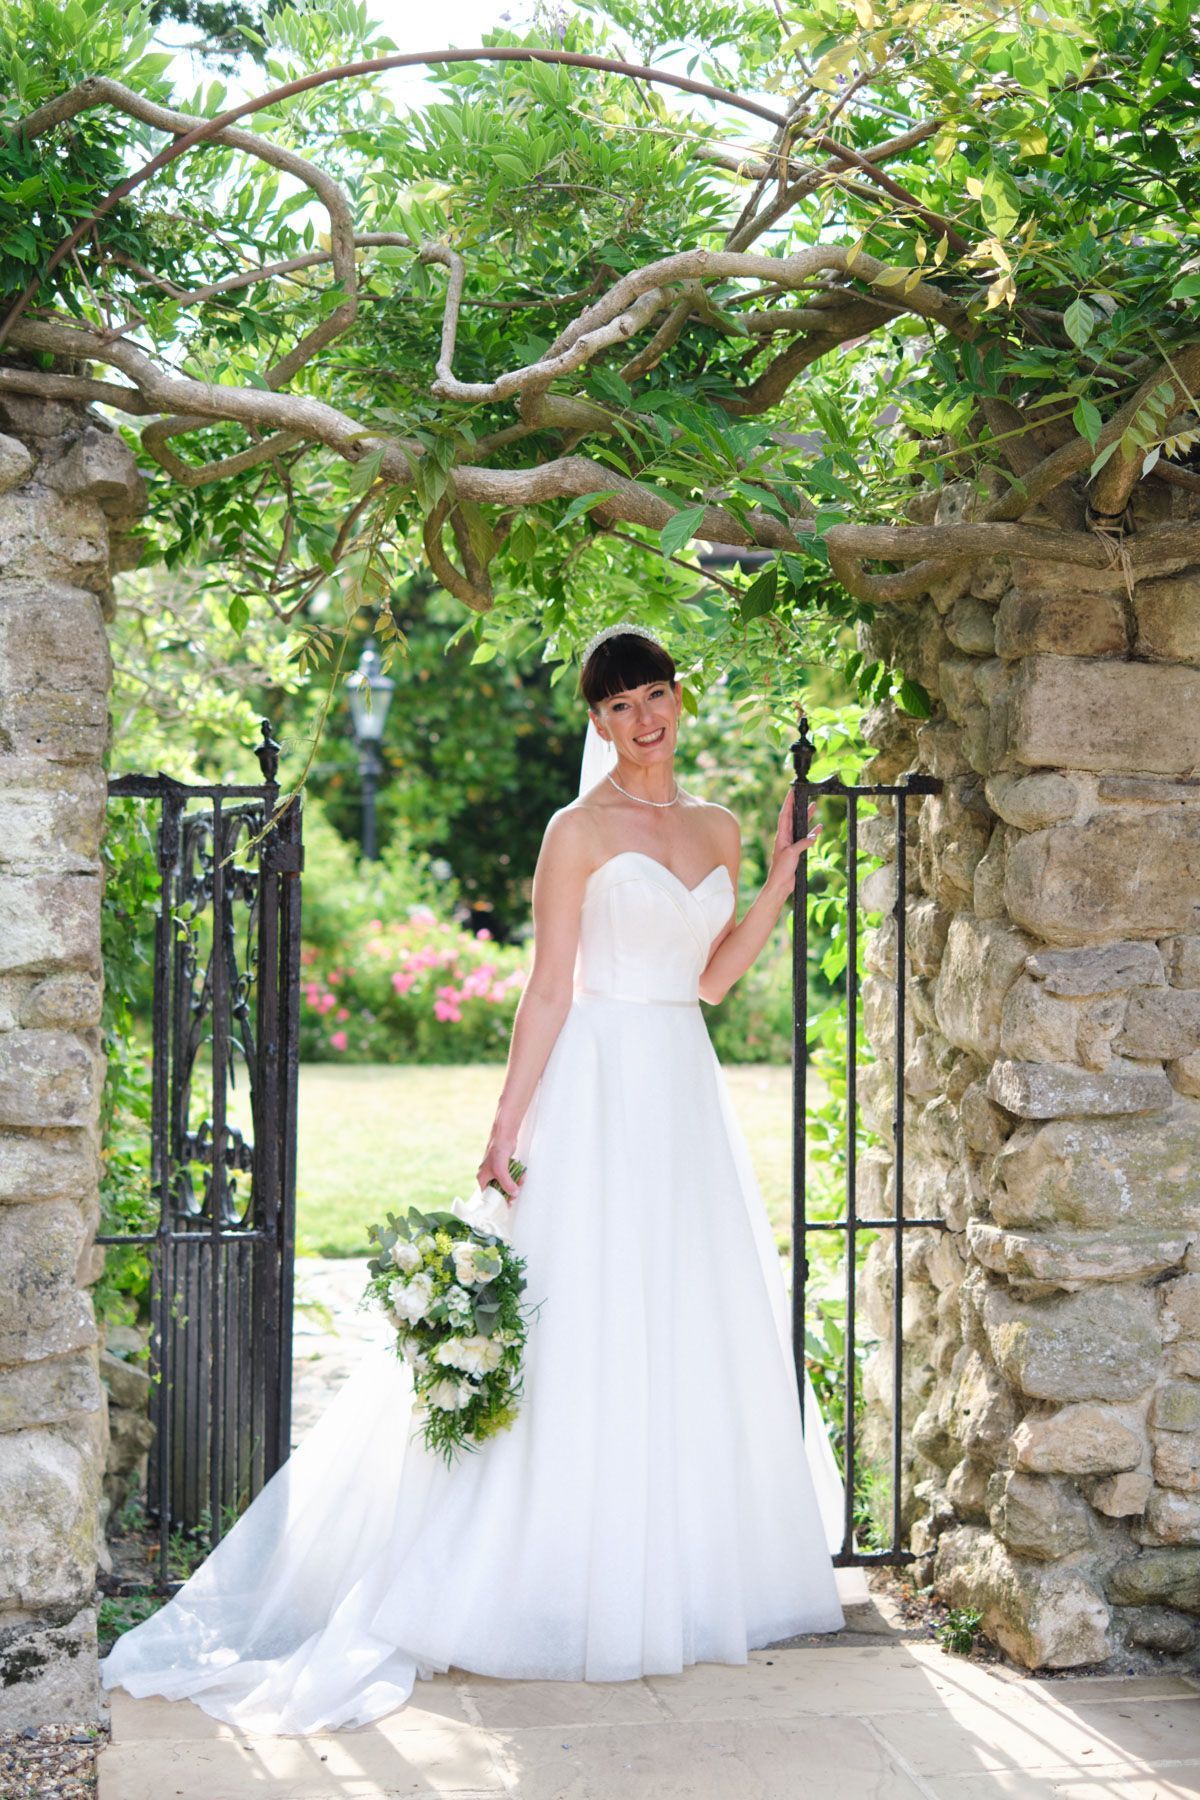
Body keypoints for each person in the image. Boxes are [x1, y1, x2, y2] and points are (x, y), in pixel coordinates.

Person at [99, 622, 856, 1738]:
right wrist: (506, 1125)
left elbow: (709, 982)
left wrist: (781, 878)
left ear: (676, 700)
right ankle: (550, 1578)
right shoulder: (575, 831)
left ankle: (679, 1575)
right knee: (581, 1316)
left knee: (682, 1312)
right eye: (615, 708)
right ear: (595, 724)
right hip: (594, 1082)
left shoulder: (719, 826)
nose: (638, 722)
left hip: (680, 1092)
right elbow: (547, 989)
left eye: (651, 697)